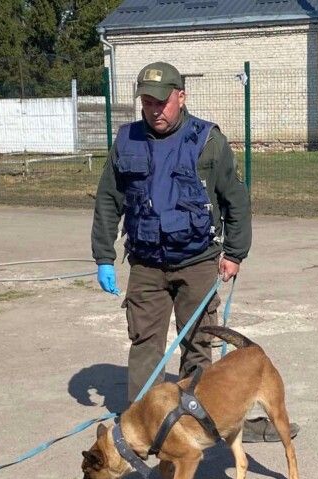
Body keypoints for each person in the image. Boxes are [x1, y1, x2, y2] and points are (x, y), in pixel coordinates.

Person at [90, 61, 298, 443]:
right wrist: (104, 256)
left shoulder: (208, 141)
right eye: (147, 102)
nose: (154, 109)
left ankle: (196, 426)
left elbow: (236, 201)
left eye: (162, 101)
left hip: (198, 262)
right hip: (147, 264)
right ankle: (141, 427)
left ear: (181, 97)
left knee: (198, 345)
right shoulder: (127, 140)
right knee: (145, 346)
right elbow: (108, 200)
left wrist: (234, 252)